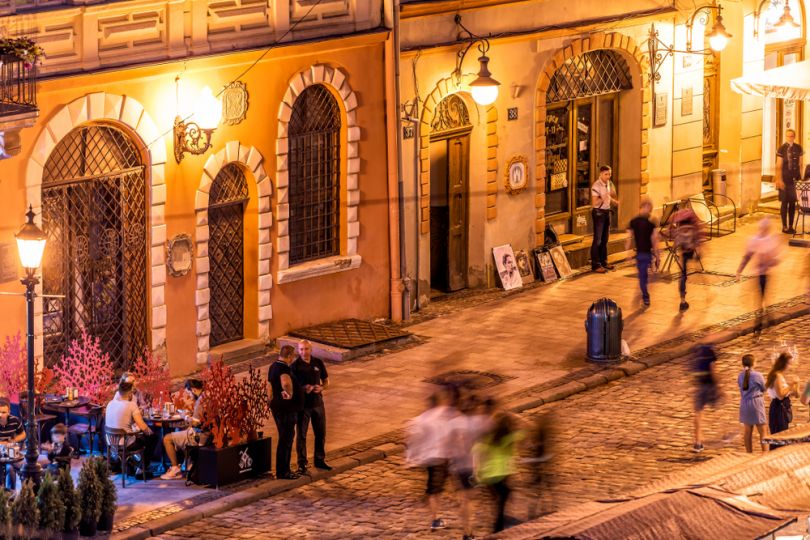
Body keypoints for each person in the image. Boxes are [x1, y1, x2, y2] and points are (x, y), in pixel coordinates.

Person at [405, 386, 459, 532]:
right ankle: (436, 518)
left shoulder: (420, 419)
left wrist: (411, 458)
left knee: (434, 488)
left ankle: (433, 510)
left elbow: (412, 438)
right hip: (443, 456)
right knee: (441, 488)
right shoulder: (446, 415)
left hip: (429, 459)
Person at [447, 394, 494, 540]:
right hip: (471, 465)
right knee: (469, 500)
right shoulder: (479, 422)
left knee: (464, 499)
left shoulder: (454, 422)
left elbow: (448, 443)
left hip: (456, 465)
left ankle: (467, 530)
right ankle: (468, 532)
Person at [473, 412, 523, 533]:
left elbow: (476, 450)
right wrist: (515, 417)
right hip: (502, 474)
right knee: (503, 498)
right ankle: (498, 527)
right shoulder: (508, 438)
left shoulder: (488, 439)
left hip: (487, 476)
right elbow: (525, 431)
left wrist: (477, 472)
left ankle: (501, 522)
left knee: (499, 499)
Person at [291, 340, 331, 474]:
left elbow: (326, 381)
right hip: (303, 406)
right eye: (301, 349)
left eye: (306, 349)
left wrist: (321, 388)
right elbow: (291, 387)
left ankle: (319, 460)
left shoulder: (318, 363)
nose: (304, 352)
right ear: (298, 350)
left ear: (311, 349)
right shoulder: (295, 366)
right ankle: (302, 463)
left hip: (318, 403)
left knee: (321, 433)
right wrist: (303, 389)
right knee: (301, 435)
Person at [737, 217, 782, 335]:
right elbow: (748, 256)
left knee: (762, 299)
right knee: (763, 299)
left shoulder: (761, 240)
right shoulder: (762, 241)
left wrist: (740, 270)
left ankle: (761, 324)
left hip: (763, 275)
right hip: (760, 275)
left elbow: (748, 256)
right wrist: (739, 270)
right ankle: (767, 322)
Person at [105, 380, 157, 477]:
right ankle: (141, 469)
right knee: (153, 438)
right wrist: (150, 432)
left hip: (110, 443)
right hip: (125, 444)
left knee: (140, 437)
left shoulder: (110, 404)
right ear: (129, 393)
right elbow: (143, 427)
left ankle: (132, 464)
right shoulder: (131, 405)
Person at [269, 345, 304, 480]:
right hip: (286, 410)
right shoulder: (283, 368)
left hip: (277, 408)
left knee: (283, 438)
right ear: (289, 356)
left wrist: (270, 401)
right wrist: (290, 394)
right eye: (293, 356)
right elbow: (286, 383)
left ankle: (281, 470)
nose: (293, 359)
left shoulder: (273, 366)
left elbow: (269, 386)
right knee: (287, 439)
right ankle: (284, 471)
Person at [160, 379, 206, 480]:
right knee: (178, 431)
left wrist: (185, 416)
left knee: (167, 438)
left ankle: (175, 468)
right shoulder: (207, 396)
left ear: (193, 390)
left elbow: (196, 422)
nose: (189, 396)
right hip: (206, 433)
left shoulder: (200, 400)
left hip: (199, 436)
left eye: (189, 393)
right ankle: (188, 462)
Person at [626, 196, 660, 307]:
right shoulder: (651, 222)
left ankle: (645, 295)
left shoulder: (634, 221)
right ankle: (645, 296)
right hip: (643, 254)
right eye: (648, 208)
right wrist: (657, 256)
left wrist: (628, 254)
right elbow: (654, 241)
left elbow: (629, 239)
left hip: (642, 254)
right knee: (643, 277)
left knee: (642, 276)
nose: (648, 210)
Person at [670, 206, 703, 312]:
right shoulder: (693, 228)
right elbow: (697, 240)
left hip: (683, 253)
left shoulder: (679, 229)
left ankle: (682, 300)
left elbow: (675, 241)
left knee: (683, 276)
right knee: (686, 273)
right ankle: (697, 266)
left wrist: (674, 247)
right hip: (691, 251)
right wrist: (699, 252)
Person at [692, 344, 721, 452]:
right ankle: (722, 436)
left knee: (698, 413)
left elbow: (692, 368)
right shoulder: (710, 350)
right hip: (709, 385)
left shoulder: (697, 350)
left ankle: (697, 442)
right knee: (718, 407)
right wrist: (718, 385)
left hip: (699, 385)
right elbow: (713, 369)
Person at [766, 352, 798, 448]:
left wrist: (795, 386)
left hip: (780, 407)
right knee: (780, 435)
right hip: (779, 408)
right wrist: (791, 385)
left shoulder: (778, 375)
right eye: (789, 364)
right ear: (783, 363)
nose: (790, 366)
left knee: (781, 435)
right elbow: (780, 395)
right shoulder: (777, 376)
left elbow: (792, 394)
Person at [737, 355, 767, 454]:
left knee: (747, 432)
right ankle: (765, 453)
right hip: (756, 404)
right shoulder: (757, 375)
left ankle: (749, 454)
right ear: (753, 363)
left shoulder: (740, 376)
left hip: (745, 404)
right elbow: (764, 388)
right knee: (763, 431)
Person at [590, 165, 618, 273]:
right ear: (600, 174)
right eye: (606, 174)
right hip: (598, 213)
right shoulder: (596, 186)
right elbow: (594, 202)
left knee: (605, 239)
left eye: (610, 174)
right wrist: (604, 196)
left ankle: (604, 261)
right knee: (597, 240)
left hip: (607, 212)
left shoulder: (609, 183)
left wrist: (614, 201)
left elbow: (610, 196)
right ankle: (595, 265)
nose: (608, 176)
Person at [776, 128, 803, 234]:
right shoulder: (781, 148)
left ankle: (791, 226)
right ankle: (784, 226)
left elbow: (801, 164)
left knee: (792, 203)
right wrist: (779, 179)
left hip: (795, 179)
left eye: (792, 136)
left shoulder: (798, 147)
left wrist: (801, 179)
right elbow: (778, 165)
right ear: (785, 137)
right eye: (788, 136)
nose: (790, 138)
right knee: (784, 203)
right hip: (784, 179)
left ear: (794, 136)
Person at [0, 398, 25, 489]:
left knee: (11, 468)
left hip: (9, 452)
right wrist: (4, 443)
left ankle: (11, 495)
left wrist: (14, 440)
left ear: (9, 412)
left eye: (3, 412)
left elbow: (23, 434)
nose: (1, 415)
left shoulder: (15, 420)